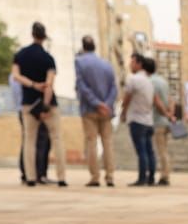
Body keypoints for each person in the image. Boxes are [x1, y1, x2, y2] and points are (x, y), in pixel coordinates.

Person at [11, 22, 67, 188]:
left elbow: (16, 76)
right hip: (48, 104)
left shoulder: (20, 55)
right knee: (57, 138)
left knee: (29, 140)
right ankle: (61, 176)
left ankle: (30, 176)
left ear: (32, 34)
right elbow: (49, 84)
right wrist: (45, 104)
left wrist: (32, 84)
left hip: (28, 102)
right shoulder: (48, 58)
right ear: (44, 36)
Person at [75, 35, 118, 188]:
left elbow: (81, 86)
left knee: (91, 142)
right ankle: (110, 176)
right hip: (106, 110)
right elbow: (114, 87)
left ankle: (95, 177)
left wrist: (96, 103)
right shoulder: (107, 64)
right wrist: (106, 104)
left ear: (83, 46)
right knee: (108, 142)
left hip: (89, 109)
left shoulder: (79, 62)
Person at [120, 52, 157, 187]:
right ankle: (151, 177)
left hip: (137, 119)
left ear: (139, 64)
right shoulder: (150, 82)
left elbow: (127, 97)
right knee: (149, 150)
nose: (130, 65)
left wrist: (123, 112)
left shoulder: (133, 79)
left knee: (141, 150)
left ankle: (142, 178)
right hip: (148, 120)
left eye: (132, 62)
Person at [9, 70, 50, 184]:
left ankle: (27, 173)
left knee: (28, 140)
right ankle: (37, 173)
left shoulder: (14, 76)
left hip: (22, 109)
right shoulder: (22, 76)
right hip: (31, 109)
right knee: (39, 141)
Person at [144, 56, 176, 187]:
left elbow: (156, 101)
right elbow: (170, 99)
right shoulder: (163, 81)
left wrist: (166, 114)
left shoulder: (149, 81)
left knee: (161, 151)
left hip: (157, 120)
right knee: (164, 150)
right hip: (166, 121)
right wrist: (171, 114)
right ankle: (165, 174)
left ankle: (165, 176)